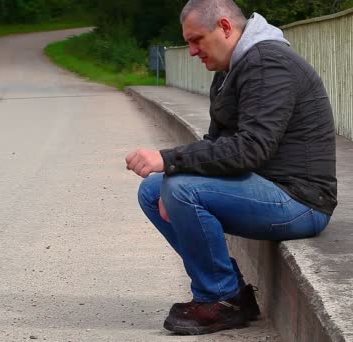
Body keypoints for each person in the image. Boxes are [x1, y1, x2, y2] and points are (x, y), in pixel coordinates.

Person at [125, 0, 337, 335]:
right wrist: (172, 172)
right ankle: (230, 290)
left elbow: (251, 149)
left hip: (301, 200)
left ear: (225, 27)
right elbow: (215, 143)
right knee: (154, 190)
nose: (192, 51)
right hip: (265, 186)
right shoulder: (232, 68)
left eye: (197, 40)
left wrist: (169, 160)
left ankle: (219, 299)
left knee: (181, 188)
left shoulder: (268, 63)